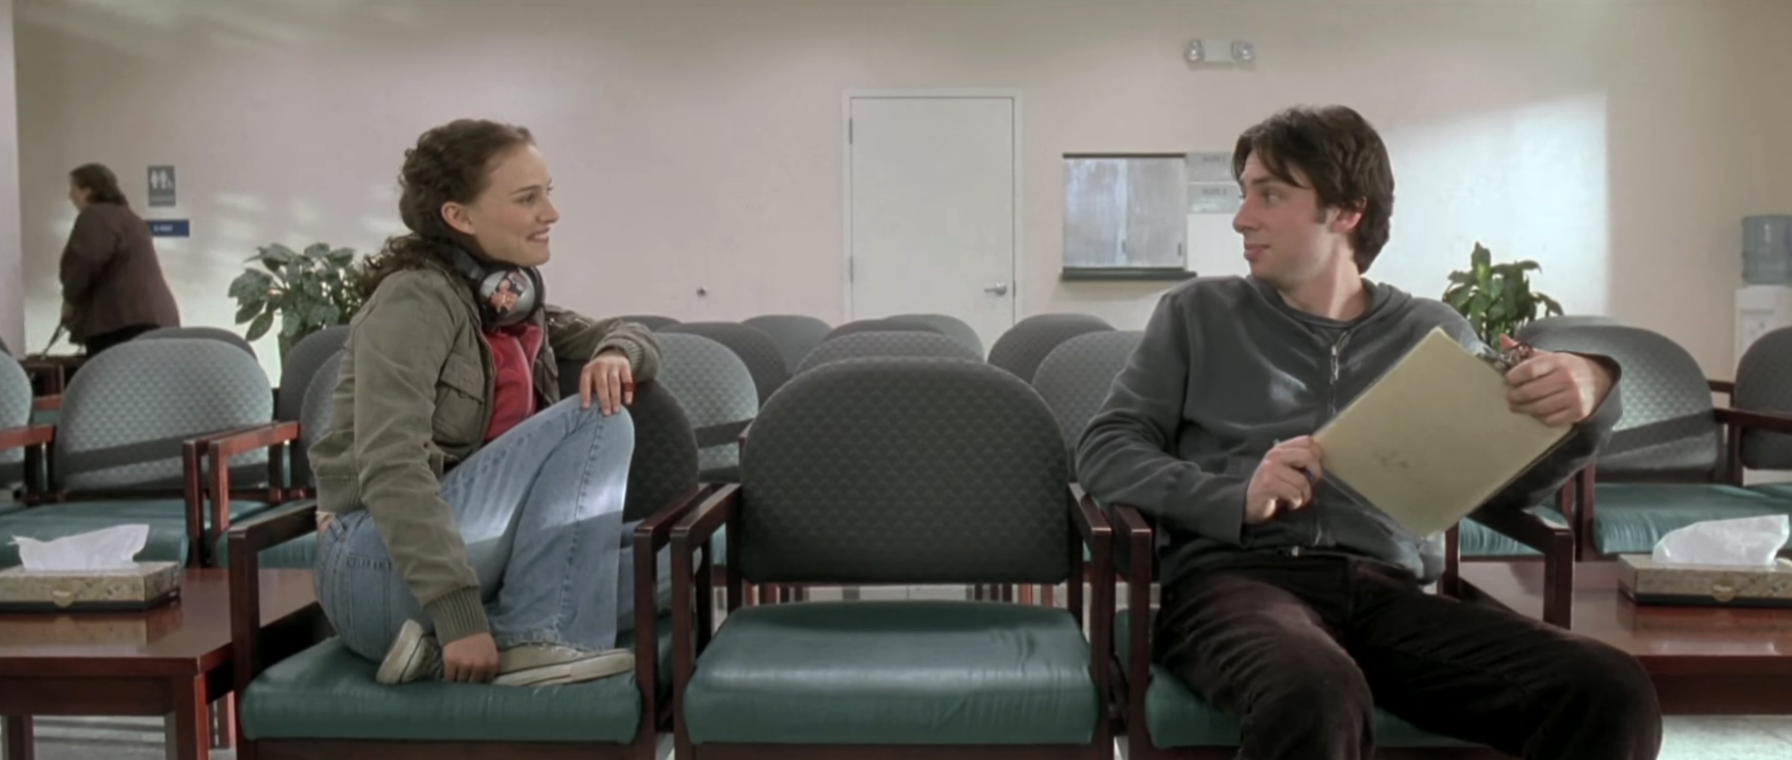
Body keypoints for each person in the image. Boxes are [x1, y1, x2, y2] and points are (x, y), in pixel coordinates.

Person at [1077, 105, 1662, 760]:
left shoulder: (1431, 333)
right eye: (1245, 194)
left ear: (1347, 211)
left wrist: (1591, 396)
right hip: (1233, 585)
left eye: (1269, 194)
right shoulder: (1198, 313)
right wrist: (1235, 496)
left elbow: (1502, 492)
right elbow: (1106, 449)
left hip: (1385, 592)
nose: (1242, 218)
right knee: (1315, 692)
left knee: (1607, 687)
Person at [307, 118, 663, 687]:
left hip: (474, 560)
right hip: (382, 566)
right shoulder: (414, 300)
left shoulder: (510, 302)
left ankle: (486, 638)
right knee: (598, 419)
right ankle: (532, 636)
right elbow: (391, 467)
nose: (552, 213)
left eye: (549, 192)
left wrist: (616, 352)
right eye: (529, 198)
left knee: (681, 557)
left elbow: (634, 335)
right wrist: (458, 617)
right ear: (459, 216)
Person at [58, 163, 181, 355]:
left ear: (88, 190)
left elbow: (84, 262)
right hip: (156, 318)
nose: (70, 195)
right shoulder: (130, 218)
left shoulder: (95, 216)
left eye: (73, 188)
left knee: (113, 382)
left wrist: (70, 301)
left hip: (119, 320)